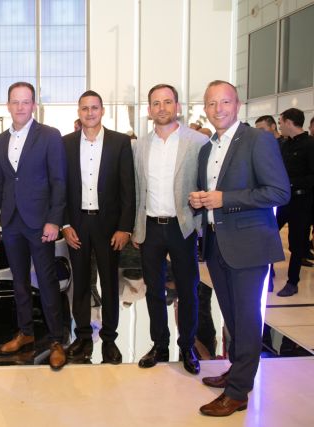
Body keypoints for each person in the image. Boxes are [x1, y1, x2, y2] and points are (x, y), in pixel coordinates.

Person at [189, 80, 290, 417]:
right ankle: (237, 369)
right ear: (205, 108)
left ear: (238, 105)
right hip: (217, 243)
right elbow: (213, 195)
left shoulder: (257, 140)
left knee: (246, 318)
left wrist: (225, 199)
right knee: (231, 315)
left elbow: (278, 192)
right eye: (212, 103)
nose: (218, 109)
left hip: (249, 244)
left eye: (225, 102)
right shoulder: (207, 149)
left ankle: (238, 392)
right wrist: (200, 200)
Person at [0, 82, 67, 370]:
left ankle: (56, 340)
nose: (20, 107)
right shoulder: (0, 141)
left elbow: (59, 181)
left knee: (46, 282)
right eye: (15, 101)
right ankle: (26, 333)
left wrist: (54, 220)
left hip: (40, 222)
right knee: (19, 282)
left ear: (34, 104)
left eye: (25, 101)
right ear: (8, 105)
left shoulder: (50, 136)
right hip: (11, 222)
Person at [131, 84, 207, 374]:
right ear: (149, 109)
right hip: (150, 227)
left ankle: (187, 346)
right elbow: (136, 189)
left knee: (188, 289)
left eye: (167, 102)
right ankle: (159, 344)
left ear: (177, 106)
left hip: (182, 226)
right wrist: (136, 227)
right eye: (156, 103)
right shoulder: (139, 146)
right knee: (153, 290)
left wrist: (199, 225)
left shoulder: (197, 142)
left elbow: (206, 183)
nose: (161, 108)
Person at [61, 90, 135, 364]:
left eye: (94, 108)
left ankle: (110, 338)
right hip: (77, 223)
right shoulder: (66, 143)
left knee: (110, 281)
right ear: (78, 112)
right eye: (85, 108)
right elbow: (61, 187)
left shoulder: (120, 142)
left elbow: (128, 188)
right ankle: (82, 336)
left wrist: (124, 227)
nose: (90, 113)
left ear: (102, 111)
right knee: (80, 282)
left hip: (108, 225)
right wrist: (65, 224)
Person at [273, 108, 314, 296]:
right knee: (269, 234)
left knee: (297, 244)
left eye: (281, 122)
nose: (279, 126)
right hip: (283, 200)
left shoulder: (310, 144)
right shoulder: (284, 145)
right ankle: (268, 272)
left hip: (301, 201)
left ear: (289, 122)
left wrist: (290, 182)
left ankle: (292, 282)